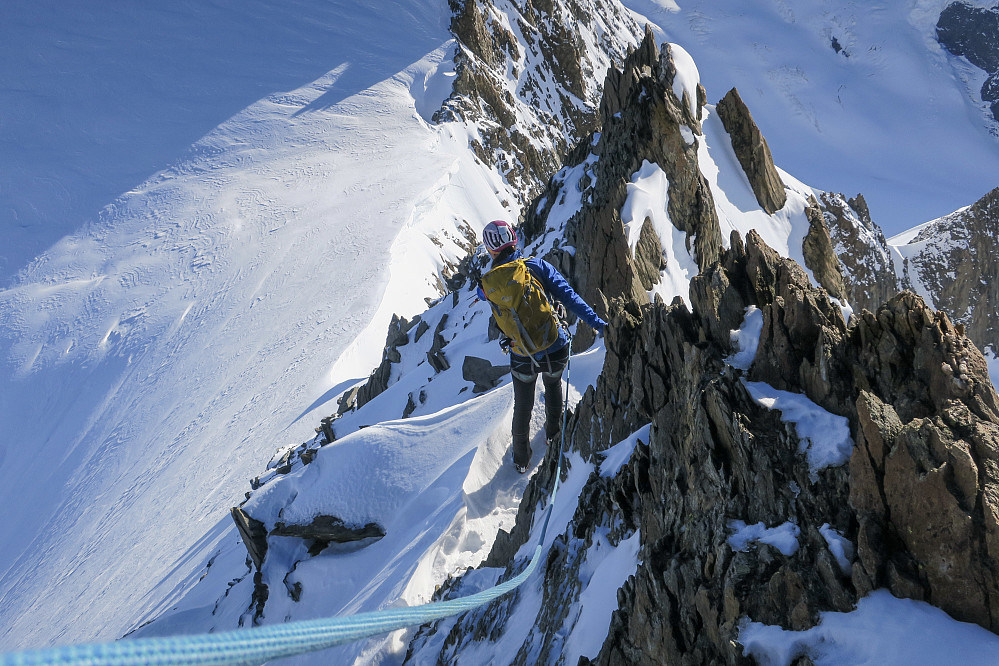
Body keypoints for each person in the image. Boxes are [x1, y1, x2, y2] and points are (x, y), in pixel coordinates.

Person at [476, 220, 608, 473]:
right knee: (553, 385)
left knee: (523, 405)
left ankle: (521, 458)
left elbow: (484, 298)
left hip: (521, 354)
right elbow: (569, 296)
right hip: (555, 347)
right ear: (513, 239)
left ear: (490, 249)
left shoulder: (488, 284)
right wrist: (599, 324)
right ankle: (553, 434)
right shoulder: (535, 267)